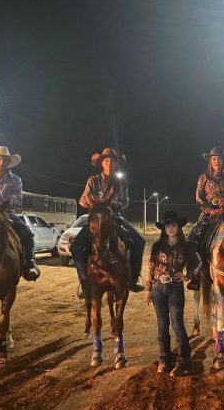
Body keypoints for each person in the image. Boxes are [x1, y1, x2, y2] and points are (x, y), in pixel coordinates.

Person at [71, 148, 145, 293]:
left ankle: (134, 278)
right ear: (101, 163)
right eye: (106, 160)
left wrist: (115, 204)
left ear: (116, 164)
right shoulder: (92, 180)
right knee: (76, 246)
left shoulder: (121, 182)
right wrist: (92, 203)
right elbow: (82, 200)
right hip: (96, 219)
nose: (109, 163)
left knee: (139, 241)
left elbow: (125, 201)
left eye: (112, 161)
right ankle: (84, 280)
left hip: (114, 217)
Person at [145, 210, 202, 376]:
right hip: (157, 289)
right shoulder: (157, 246)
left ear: (178, 227)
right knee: (162, 326)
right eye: (167, 226)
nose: (170, 228)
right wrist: (148, 289)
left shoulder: (187, 246)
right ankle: (164, 360)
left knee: (177, 324)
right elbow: (151, 267)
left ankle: (184, 362)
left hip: (175, 289)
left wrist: (187, 276)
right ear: (164, 228)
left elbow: (198, 262)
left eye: (173, 225)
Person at [0, 146, 40, 281]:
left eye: (4, 160)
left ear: (8, 162)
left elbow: (18, 199)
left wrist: (5, 204)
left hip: (6, 212)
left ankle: (29, 263)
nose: (1, 162)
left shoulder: (16, 180)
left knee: (27, 234)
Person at [190, 147, 224, 273]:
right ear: (210, 161)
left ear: (223, 161)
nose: (217, 162)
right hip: (208, 213)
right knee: (195, 235)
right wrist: (210, 210)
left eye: (219, 159)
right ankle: (194, 270)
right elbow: (199, 198)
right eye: (214, 159)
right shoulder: (203, 178)